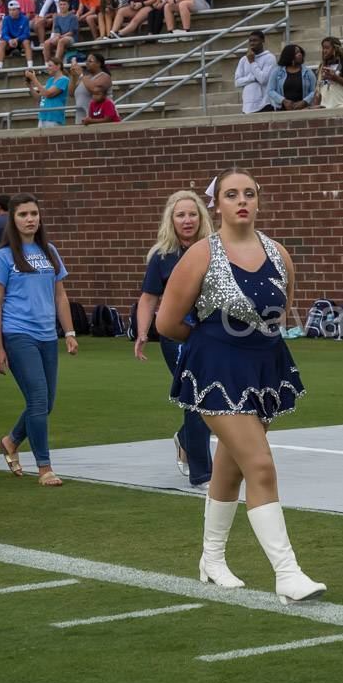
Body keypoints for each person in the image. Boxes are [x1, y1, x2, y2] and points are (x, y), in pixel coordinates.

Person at [158, 168, 325, 603]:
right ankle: (287, 574)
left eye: (249, 193)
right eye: (231, 194)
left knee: (231, 467)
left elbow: (283, 312)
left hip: (264, 367)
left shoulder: (278, 253)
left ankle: (211, 560)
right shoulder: (200, 254)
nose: (241, 201)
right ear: (218, 204)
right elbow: (167, 322)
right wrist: (212, 345)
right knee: (261, 465)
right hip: (216, 368)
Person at [0, 194, 78, 486]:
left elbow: (60, 295)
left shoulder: (49, 250)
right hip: (17, 334)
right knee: (38, 400)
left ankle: (11, 440)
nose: (30, 219)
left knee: (45, 403)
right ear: (12, 220)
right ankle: (44, 467)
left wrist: (69, 333)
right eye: (23, 214)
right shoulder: (3, 257)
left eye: (34, 214)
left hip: (47, 336)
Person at [135, 190, 214, 490]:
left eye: (192, 214)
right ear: (171, 219)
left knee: (211, 397)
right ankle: (202, 473)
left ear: (201, 217)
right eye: (181, 215)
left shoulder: (214, 248)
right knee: (195, 397)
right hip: (176, 335)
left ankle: (185, 438)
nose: (187, 220)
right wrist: (143, 332)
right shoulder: (162, 256)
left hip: (211, 335)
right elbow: (148, 297)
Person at [233, 31, 277, 114]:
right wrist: (253, 78)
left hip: (264, 104)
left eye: (255, 40)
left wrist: (252, 62)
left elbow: (263, 79)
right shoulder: (243, 60)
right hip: (247, 106)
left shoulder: (270, 58)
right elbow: (237, 82)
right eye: (250, 41)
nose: (252, 43)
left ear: (262, 41)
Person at [268, 44, 317, 111]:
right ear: (288, 55)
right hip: (282, 110)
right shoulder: (277, 71)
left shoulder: (308, 72)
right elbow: (270, 90)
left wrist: (304, 101)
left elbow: (314, 91)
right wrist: (283, 101)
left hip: (303, 110)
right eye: (296, 53)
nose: (299, 54)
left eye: (300, 52)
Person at [313, 36, 343, 108]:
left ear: (336, 49)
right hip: (325, 108)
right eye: (323, 48)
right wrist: (315, 106)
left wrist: (335, 77)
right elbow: (318, 90)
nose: (324, 51)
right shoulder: (322, 66)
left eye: (327, 48)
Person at [69, 52, 112, 125]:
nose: (87, 63)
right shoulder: (84, 77)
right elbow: (71, 93)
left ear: (99, 63)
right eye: (86, 61)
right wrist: (73, 76)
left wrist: (81, 74)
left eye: (90, 61)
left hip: (97, 117)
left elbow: (95, 90)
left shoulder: (105, 76)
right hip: (81, 116)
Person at [27, 58, 70, 128]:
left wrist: (34, 79)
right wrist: (30, 86)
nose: (47, 68)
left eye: (50, 65)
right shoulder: (50, 80)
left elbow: (48, 94)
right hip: (43, 116)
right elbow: (40, 98)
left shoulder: (64, 79)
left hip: (54, 118)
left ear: (58, 66)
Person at [0, 0, 33, 71]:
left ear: (19, 10)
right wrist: (9, 40)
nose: (11, 12)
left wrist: (16, 39)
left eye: (14, 10)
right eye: (10, 10)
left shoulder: (25, 19)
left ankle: (30, 67)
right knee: (2, 42)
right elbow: (4, 34)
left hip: (20, 40)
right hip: (10, 41)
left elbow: (26, 34)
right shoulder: (6, 19)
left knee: (26, 42)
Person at [43, 0, 78, 66]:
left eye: (64, 4)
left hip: (71, 37)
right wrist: (58, 36)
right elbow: (57, 31)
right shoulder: (57, 18)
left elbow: (71, 32)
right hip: (61, 37)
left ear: (68, 5)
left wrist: (61, 36)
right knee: (46, 43)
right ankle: (47, 65)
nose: (62, 6)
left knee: (61, 41)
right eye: (61, 4)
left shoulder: (73, 17)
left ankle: (55, 64)